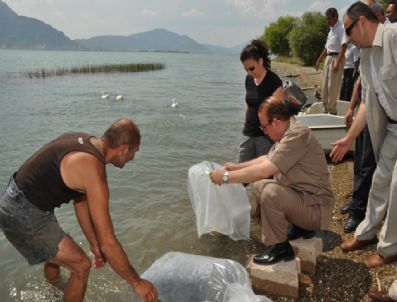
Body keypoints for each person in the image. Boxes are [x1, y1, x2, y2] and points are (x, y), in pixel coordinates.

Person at [0, 118, 158, 302]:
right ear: (123, 148)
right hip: (24, 213)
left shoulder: (85, 143)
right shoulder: (94, 170)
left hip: (16, 199)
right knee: (81, 265)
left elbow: (80, 201)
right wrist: (136, 282)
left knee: (57, 251)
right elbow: (108, 241)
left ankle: (53, 293)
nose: (133, 158)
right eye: (134, 151)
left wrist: (93, 243)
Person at [209, 96, 335, 265]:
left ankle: (280, 247)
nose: (264, 131)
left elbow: (263, 170)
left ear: (275, 121)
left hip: (316, 210)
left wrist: (225, 178)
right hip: (306, 201)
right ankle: (301, 228)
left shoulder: (297, 134)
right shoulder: (288, 132)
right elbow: (265, 159)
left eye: (264, 126)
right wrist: (236, 167)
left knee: (269, 192)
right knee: (260, 186)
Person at [330, 2, 397, 268]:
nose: (346, 38)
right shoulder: (367, 55)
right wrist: (348, 140)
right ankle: (367, 233)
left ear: (362, 22)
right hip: (393, 126)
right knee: (380, 179)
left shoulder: (393, 37)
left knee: (395, 186)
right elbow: (368, 102)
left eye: (347, 30)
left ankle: (389, 248)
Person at [239, 39, 286, 164]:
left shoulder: (274, 81)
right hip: (248, 133)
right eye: (246, 70)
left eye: (252, 68)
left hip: (266, 138)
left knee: (263, 174)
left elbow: (280, 115)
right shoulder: (248, 80)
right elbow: (249, 104)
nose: (249, 73)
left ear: (260, 61)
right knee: (242, 170)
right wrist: (245, 123)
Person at [340, 78, 376, 233]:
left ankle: (358, 212)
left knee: (367, 165)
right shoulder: (364, 56)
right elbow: (359, 83)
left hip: (376, 115)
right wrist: (350, 108)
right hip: (363, 112)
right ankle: (356, 201)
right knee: (358, 162)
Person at [315, 8, 347, 115]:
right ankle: (325, 109)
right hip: (329, 58)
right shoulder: (331, 30)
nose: (328, 21)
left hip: (336, 57)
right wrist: (319, 59)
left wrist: (337, 62)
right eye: (327, 19)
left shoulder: (340, 28)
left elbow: (344, 46)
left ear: (336, 17)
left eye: (329, 18)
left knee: (332, 86)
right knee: (325, 86)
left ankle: (332, 111)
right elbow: (327, 48)